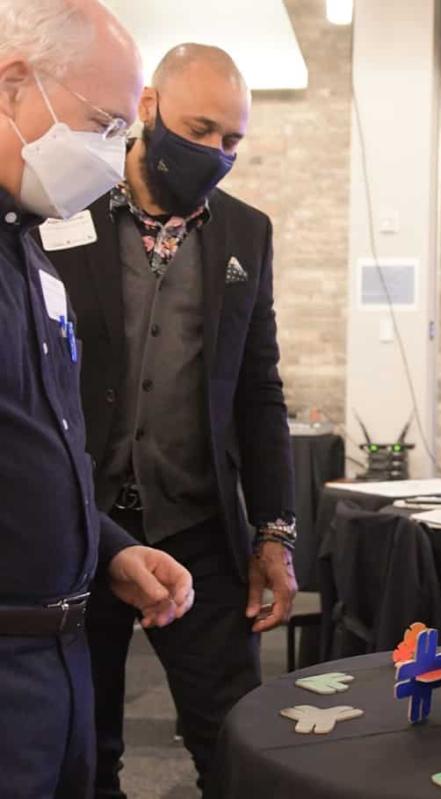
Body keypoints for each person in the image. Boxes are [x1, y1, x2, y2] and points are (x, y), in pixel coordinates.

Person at [39, 43, 297, 798]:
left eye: (233, 140)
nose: (217, 152)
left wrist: (274, 533)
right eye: (202, 128)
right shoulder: (62, 208)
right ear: (148, 106)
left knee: (236, 737)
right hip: (78, 528)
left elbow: (259, 391)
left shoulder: (246, 233)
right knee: (85, 743)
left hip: (197, 527)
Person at [0, 2, 195, 797]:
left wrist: (105, 544)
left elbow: (37, 438)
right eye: (102, 123)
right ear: (15, 84)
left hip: (59, 655)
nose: (116, 161)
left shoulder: (32, 248)